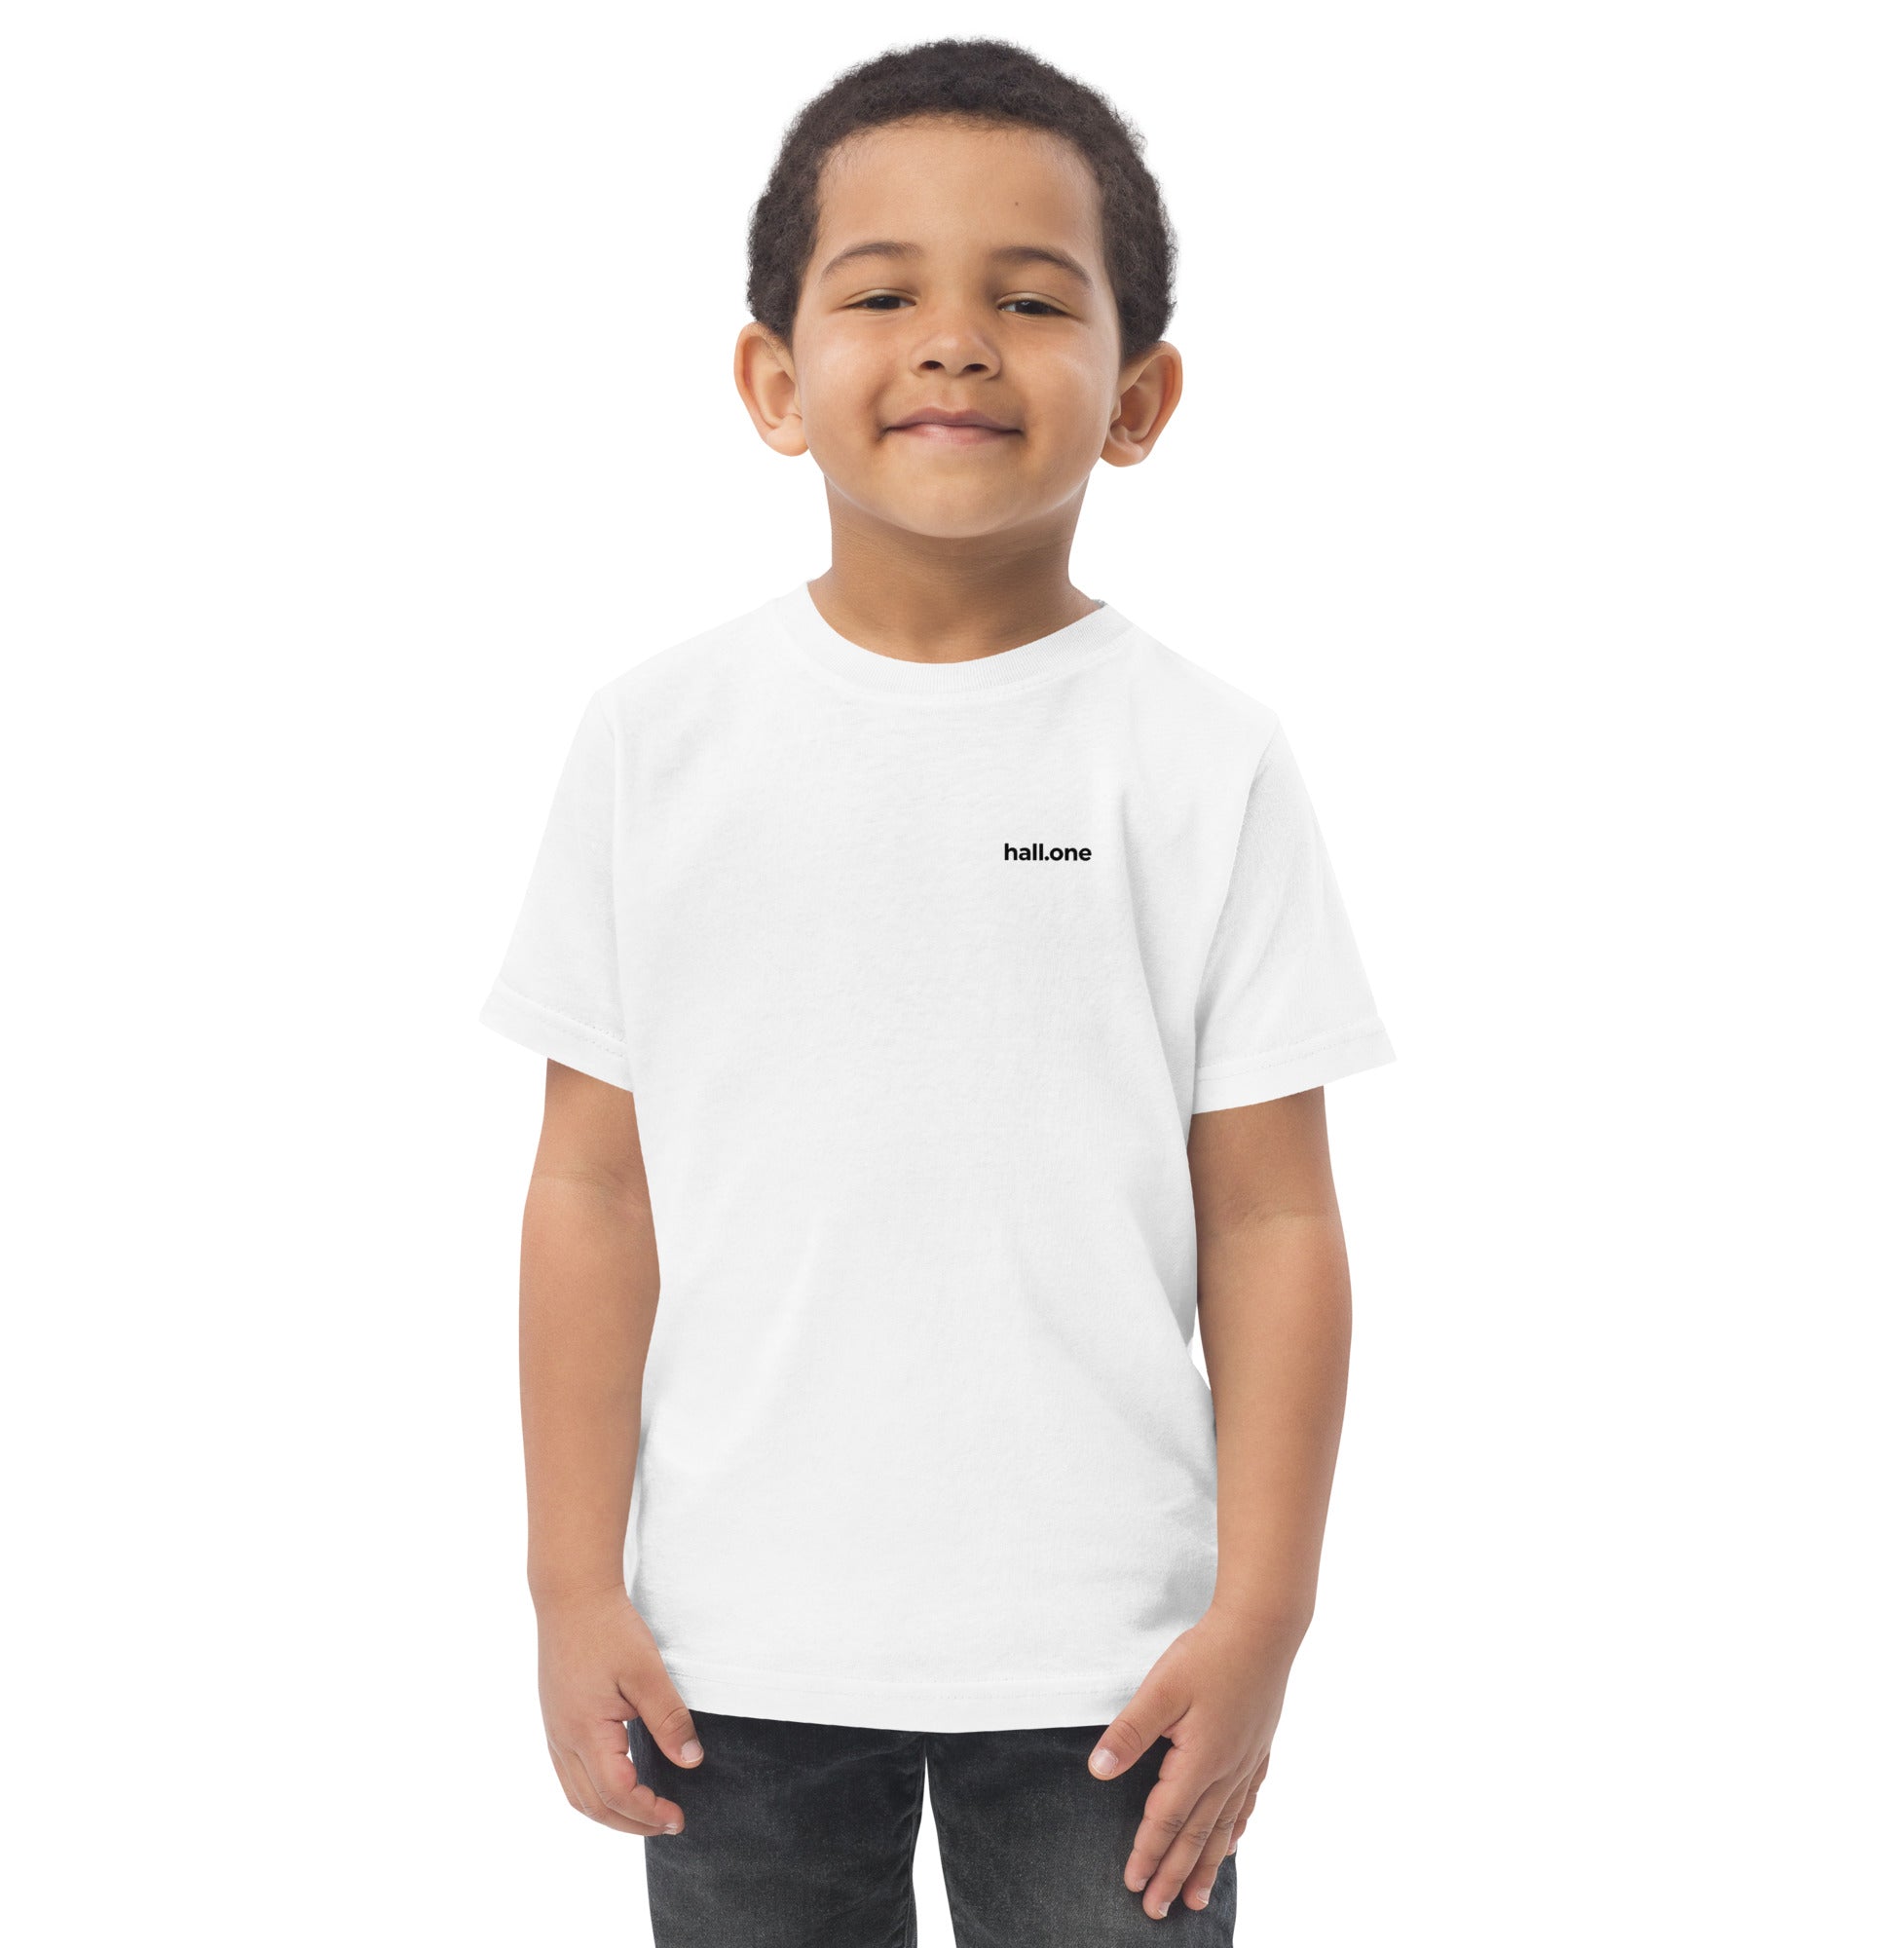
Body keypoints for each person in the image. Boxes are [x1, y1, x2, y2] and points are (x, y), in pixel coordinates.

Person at [478, 36, 1394, 1944]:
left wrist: (1265, 1616)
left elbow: (1275, 1217)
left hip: (1115, 1666)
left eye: (1031, 299)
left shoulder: (1201, 759)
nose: (957, 343)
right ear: (773, 379)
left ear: (1137, 397)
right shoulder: (657, 741)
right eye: (884, 293)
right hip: (729, 1651)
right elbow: (591, 1186)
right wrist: (570, 1583)